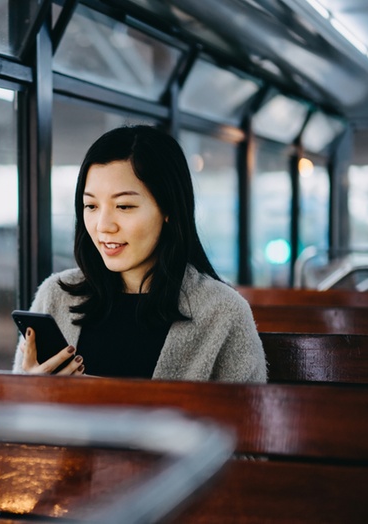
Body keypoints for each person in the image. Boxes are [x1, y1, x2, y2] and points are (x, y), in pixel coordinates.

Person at [14, 125, 266, 382]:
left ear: (169, 209)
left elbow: (247, 418)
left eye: (124, 206)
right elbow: (14, 412)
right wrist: (33, 391)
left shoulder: (222, 312)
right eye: (91, 205)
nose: (103, 225)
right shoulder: (56, 296)